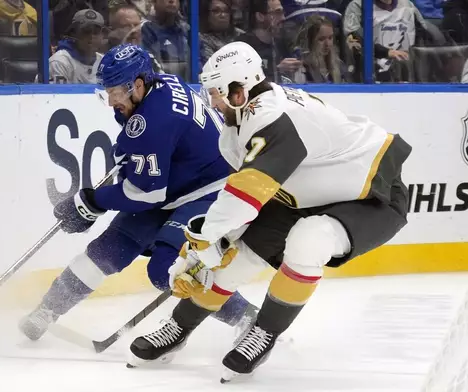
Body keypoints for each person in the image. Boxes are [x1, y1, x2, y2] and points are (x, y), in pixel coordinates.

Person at [128, 41, 412, 383]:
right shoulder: (237, 127)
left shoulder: (272, 118)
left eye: (215, 94)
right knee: (235, 256)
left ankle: (264, 333)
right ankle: (179, 326)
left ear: (238, 90)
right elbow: (243, 204)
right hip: (302, 194)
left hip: (372, 194)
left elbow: (243, 196)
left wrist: (200, 244)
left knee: (308, 243)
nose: (211, 102)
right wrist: (203, 252)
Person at [19, 43, 259, 342]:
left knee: (165, 268)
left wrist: (90, 201)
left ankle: (247, 317)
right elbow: (152, 164)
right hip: (174, 185)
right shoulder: (161, 87)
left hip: (210, 190)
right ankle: (48, 309)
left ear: (138, 84)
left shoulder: (154, 121)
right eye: (107, 92)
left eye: (115, 93)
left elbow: (146, 194)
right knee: (107, 250)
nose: (110, 101)